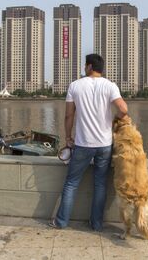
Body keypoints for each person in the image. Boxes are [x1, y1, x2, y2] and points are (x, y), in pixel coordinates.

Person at [50, 54, 128, 231]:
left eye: (85, 65)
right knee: (100, 184)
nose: (84, 68)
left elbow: (69, 115)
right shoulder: (110, 86)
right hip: (104, 144)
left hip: (83, 144)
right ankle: (97, 224)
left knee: (71, 183)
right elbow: (124, 109)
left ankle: (61, 222)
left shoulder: (75, 86)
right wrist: (114, 120)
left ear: (90, 67)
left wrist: (68, 137)